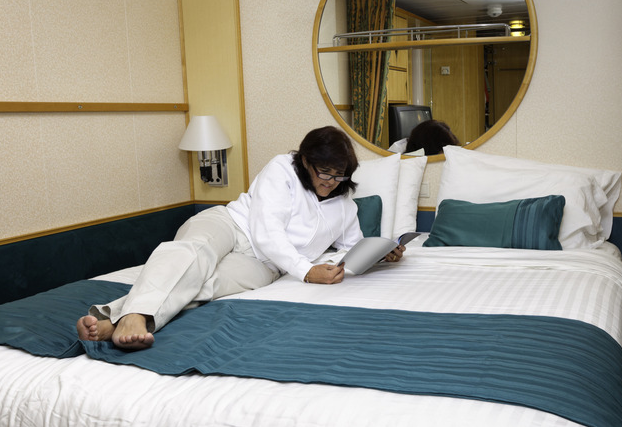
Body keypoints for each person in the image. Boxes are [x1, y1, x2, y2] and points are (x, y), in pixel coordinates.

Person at [76, 126, 405, 350]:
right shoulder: (282, 170)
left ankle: (114, 318)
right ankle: (134, 317)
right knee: (192, 253)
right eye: (324, 172)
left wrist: (381, 253)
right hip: (232, 226)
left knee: (207, 286)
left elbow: (351, 247)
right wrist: (306, 271)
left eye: (339, 175)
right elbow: (267, 231)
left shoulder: (344, 205)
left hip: (265, 264)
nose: (331, 181)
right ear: (305, 161)